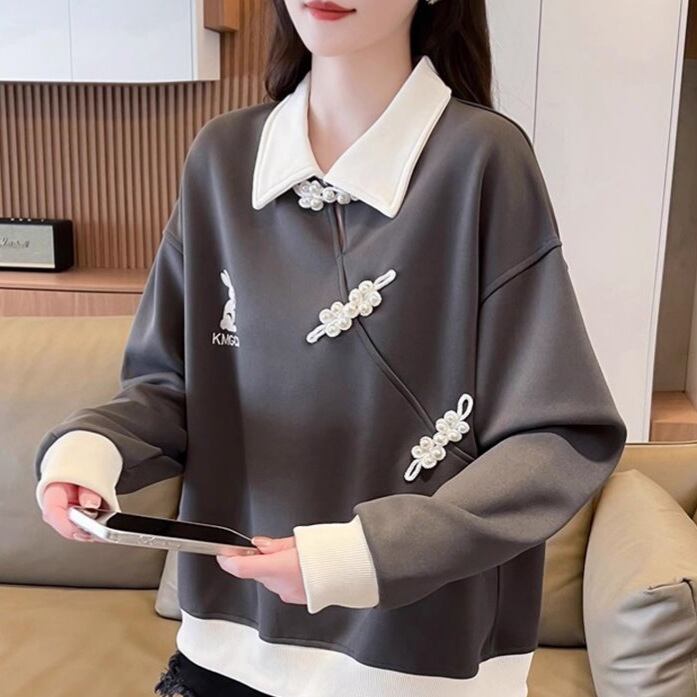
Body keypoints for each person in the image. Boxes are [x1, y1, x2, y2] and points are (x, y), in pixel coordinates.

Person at [35, 0, 628, 695]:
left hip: (415, 662)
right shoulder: (222, 158)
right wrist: (92, 450)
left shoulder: (482, 161)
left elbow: (559, 435)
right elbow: (169, 386)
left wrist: (367, 554)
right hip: (228, 648)